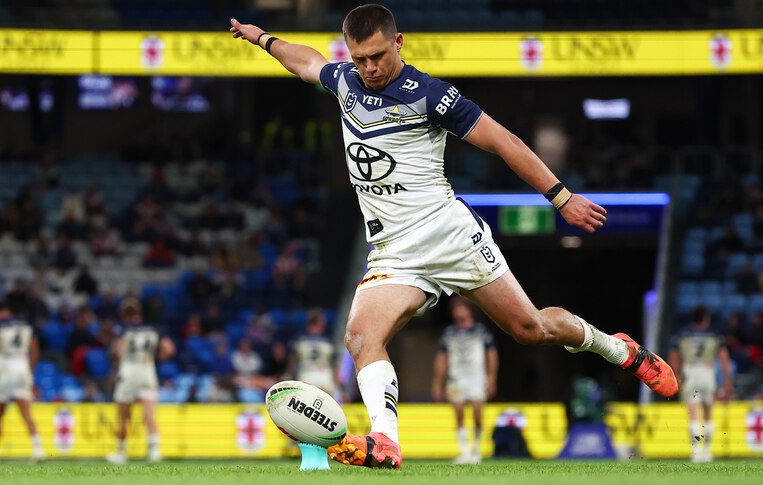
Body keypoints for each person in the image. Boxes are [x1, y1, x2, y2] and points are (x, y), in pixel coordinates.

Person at [230, 4, 678, 469]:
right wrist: (263, 38)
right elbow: (304, 59)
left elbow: (503, 140)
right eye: (360, 58)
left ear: (398, 43)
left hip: (450, 236)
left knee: (531, 330)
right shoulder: (345, 81)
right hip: (394, 252)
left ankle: (618, 348)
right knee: (361, 337)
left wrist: (561, 197)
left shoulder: (430, 95)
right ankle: (385, 441)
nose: (370, 68)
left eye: (379, 56)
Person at [106, 297, 175, 464]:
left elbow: (118, 352)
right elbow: (169, 349)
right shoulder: (154, 329)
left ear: (123, 314)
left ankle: (121, 453)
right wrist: (156, 359)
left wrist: (116, 364)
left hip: (128, 370)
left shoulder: (122, 329)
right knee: (149, 414)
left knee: (123, 415)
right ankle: (154, 451)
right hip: (147, 369)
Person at [432, 296, 498, 464]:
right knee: (459, 413)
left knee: (477, 414)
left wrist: (491, 379)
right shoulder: (449, 333)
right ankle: (464, 451)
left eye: (461, 308)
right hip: (457, 378)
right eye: (455, 309)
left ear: (469, 311)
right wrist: (438, 383)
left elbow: (491, 355)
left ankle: (476, 449)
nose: (458, 312)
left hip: (476, 378)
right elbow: (442, 358)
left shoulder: (480, 331)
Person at [0, 301, 45, 465]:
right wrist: (29, 371)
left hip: (3, 369)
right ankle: (38, 450)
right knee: (27, 413)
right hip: (22, 367)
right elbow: (35, 349)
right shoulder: (27, 325)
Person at [667, 306, 733, 463]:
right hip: (707, 372)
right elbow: (724, 358)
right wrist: (727, 380)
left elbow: (673, 355)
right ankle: (708, 451)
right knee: (708, 413)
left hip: (690, 373)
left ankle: (696, 452)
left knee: (693, 414)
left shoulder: (682, 334)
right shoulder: (715, 334)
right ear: (706, 318)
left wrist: (676, 375)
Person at [288, 308, 339, 397]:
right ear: (320, 321)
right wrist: (339, 386)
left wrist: (291, 378)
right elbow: (334, 366)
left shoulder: (299, 339)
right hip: (325, 378)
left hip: (306, 377)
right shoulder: (328, 341)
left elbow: (292, 362)